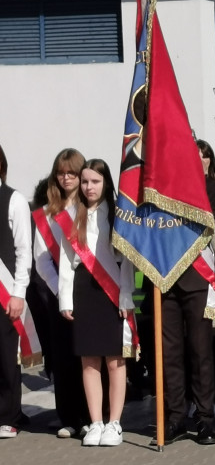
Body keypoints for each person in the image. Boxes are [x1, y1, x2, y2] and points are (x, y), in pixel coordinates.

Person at [57, 159, 136, 447]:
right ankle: (96, 422)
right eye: (86, 181)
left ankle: (114, 422)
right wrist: (65, 298)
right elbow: (66, 261)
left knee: (115, 360)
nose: (90, 187)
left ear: (106, 183)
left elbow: (127, 262)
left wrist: (125, 295)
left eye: (95, 181)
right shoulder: (70, 214)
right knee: (89, 360)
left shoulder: (119, 215)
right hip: (83, 289)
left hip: (112, 289)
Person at [152, 139, 215, 447]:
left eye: (202, 156)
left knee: (200, 351)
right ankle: (176, 417)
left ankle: (204, 418)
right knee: (169, 354)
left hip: (196, 276)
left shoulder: (208, 186)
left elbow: (204, 216)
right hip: (166, 278)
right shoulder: (159, 185)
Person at [32, 149, 88, 438]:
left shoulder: (90, 208)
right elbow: (41, 259)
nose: (66, 178)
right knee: (64, 356)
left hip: (89, 291)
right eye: (61, 173)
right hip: (59, 295)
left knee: (89, 357)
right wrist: (61, 292)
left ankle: (91, 417)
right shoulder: (46, 214)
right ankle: (67, 417)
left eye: (72, 173)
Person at [0, 145, 32, 439]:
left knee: (6, 355)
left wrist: (18, 292)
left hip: (5, 291)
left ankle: (9, 415)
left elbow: (24, 249)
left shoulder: (15, 200)